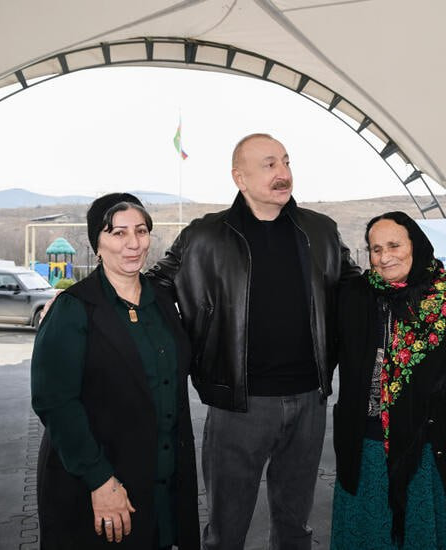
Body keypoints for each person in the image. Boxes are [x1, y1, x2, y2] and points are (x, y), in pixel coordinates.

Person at [147, 133, 360, 549]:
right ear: (239, 178)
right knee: (226, 531)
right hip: (238, 405)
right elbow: (151, 287)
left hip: (309, 400)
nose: (283, 172)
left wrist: (421, 285)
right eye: (269, 164)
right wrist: (85, 299)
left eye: (286, 161)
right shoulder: (204, 236)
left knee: (295, 527)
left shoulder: (321, 231)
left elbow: (357, 289)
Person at [31, 193, 200, 549]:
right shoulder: (73, 308)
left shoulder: (162, 302)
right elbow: (55, 403)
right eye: (118, 233)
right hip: (98, 483)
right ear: (97, 244)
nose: (133, 243)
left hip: (160, 481)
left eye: (141, 231)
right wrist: (100, 481)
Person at [331, 211, 446, 549]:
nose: (385, 257)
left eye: (394, 245)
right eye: (376, 249)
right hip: (367, 451)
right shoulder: (355, 296)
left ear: (416, 245)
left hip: (433, 455)